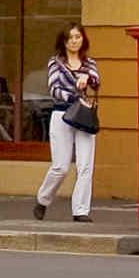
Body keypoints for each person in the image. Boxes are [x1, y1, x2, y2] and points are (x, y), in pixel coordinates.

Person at [35, 22, 101, 223]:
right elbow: (54, 89)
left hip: (83, 116)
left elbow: (97, 81)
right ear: (63, 41)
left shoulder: (89, 63)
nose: (74, 41)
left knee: (85, 165)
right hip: (62, 115)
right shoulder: (55, 63)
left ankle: (81, 210)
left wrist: (87, 79)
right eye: (70, 38)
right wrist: (73, 95)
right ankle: (43, 200)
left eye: (78, 37)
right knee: (61, 166)